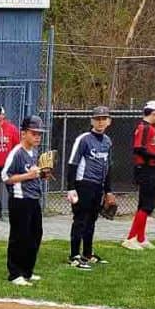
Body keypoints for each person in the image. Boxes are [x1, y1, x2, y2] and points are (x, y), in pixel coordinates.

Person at [66, 105, 115, 269]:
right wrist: (71, 187)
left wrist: (108, 191)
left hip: (98, 185)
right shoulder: (84, 139)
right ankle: (74, 255)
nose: (100, 122)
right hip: (83, 183)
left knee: (92, 219)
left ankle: (87, 253)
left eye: (103, 119)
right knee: (80, 219)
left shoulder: (107, 141)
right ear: (92, 121)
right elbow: (72, 163)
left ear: (109, 121)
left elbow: (108, 167)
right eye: (97, 119)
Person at [1, 116, 47, 286]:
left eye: (39, 134)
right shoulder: (17, 152)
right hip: (20, 199)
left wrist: (42, 174)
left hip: (33, 197)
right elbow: (5, 177)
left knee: (35, 234)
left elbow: (34, 174)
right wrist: (29, 175)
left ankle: (27, 270)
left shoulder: (34, 152)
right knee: (19, 236)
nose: (37, 137)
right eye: (34, 133)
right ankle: (15, 273)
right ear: (24, 133)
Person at [123, 100, 155, 250]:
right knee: (147, 205)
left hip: (149, 168)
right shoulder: (144, 127)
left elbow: (152, 147)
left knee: (145, 204)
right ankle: (131, 238)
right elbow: (139, 149)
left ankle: (140, 237)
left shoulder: (150, 128)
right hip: (145, 169)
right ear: (154, 113)